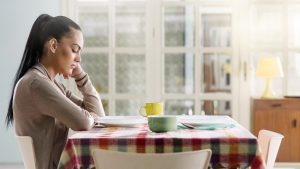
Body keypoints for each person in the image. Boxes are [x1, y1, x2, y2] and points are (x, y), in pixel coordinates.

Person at [5, 14, 105, 169]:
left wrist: (81, 77)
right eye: (74, 50)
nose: (79, 59)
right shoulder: (36, 85)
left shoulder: (52, 85)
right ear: (53, 45)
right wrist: (90, 117)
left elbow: (99, 118)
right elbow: (84, 122)